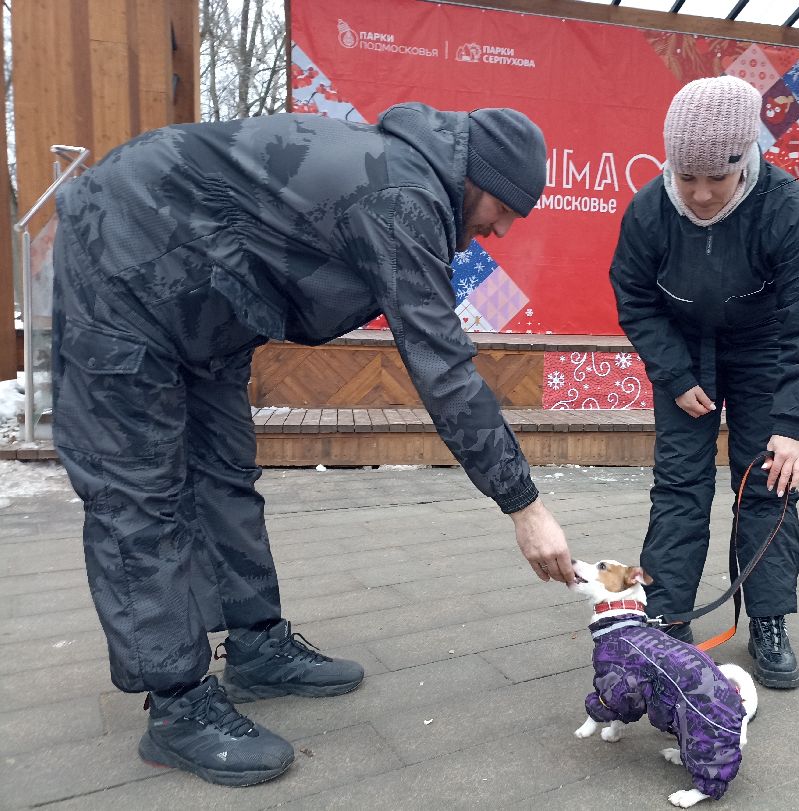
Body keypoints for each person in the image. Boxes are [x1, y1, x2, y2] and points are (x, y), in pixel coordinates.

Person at [50, 102, 575, 786]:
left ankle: (257, 645)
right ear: (475, 177)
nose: (501, 229)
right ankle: (177, 705)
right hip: (121, 258)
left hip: (205, 297)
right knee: (139, 491)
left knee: (224, 470)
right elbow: (443, 367)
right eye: (503, 208)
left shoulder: (409, 181)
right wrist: (524, 505)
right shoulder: (399, 193)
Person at [608, 76, 799, 690]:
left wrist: (792, 425)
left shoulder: (788, 209)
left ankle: (768, 619)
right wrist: (673, 373)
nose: (702, 193)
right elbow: (635, 297)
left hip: (765, 347)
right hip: (685, 349)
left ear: (745, 158)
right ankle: (667, 616)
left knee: (766, 481)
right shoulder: (649, 210)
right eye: (687, 176)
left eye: (718, 176)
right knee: (679, 484)